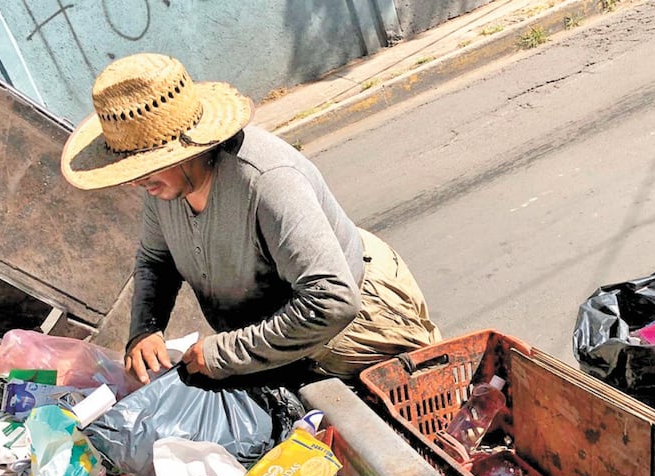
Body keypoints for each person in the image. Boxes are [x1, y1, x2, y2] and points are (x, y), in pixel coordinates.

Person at [61, 53, 441, 385]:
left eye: (147, 167)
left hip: (352, 333)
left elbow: (333, 301)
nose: (137, 180)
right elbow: (155, 260)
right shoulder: (162, 188)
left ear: (190, 148)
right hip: (271, 341)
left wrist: (225, 353)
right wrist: (145, 330)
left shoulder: (267, 180)